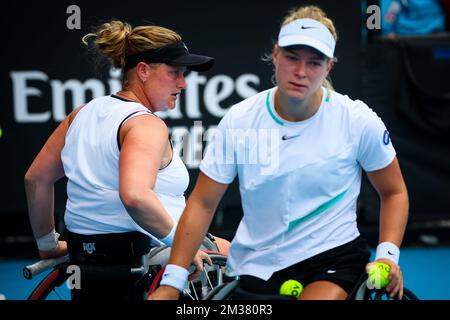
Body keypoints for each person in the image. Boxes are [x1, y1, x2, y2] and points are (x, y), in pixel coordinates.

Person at [149, 5, 409, 300]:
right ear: (275, 55)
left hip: (333, 259)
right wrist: (172, 281)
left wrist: (388, 255)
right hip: (257, 265)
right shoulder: (240, 120)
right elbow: (203, 204)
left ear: (329, 67)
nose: (301, 72)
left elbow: (394, 192)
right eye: (292, 58)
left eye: (314, 63)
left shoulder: (358, 120)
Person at [24, 20, 227, 300]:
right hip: (147, 257)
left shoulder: (80, 114)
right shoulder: (145, 124)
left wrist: (47, 244)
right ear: (143, 70)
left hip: (88, 260)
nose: (182, 83)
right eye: (175, 73)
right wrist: (183, 246)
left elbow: (36, 179)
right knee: (252, 258)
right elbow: (134, 196)